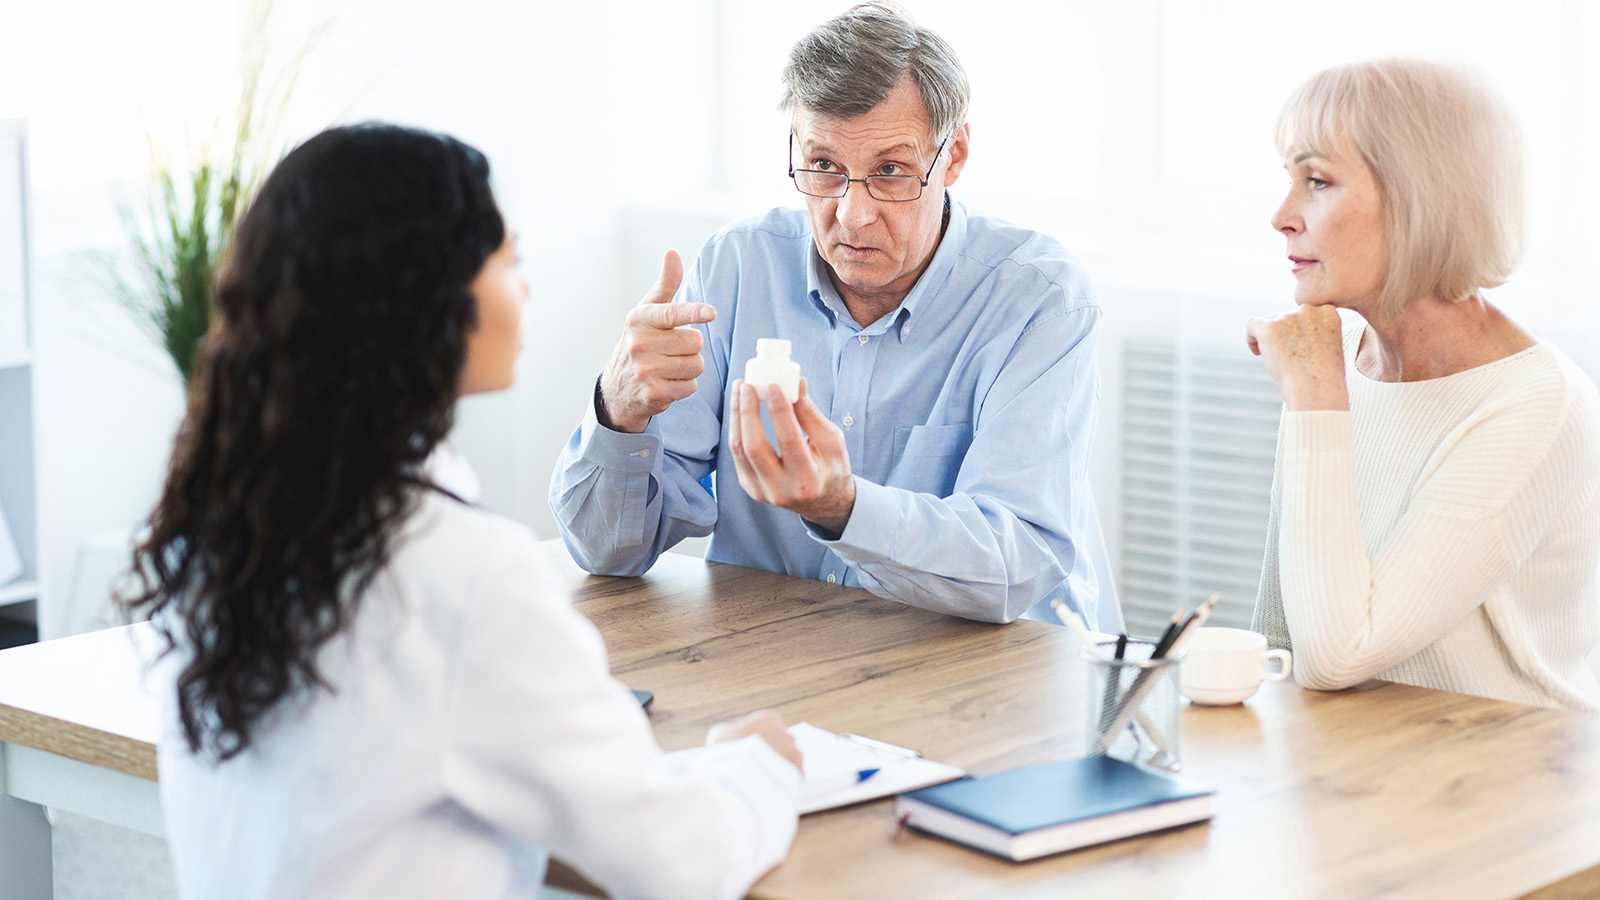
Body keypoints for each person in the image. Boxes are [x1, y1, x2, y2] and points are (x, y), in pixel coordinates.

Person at [123, 124, 803, 900]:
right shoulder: (462, 573)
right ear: (428, 298)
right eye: (509, 261)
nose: (527, 287)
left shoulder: (222, 530)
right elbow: (683, 862)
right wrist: (754, 765)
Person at [550, 3, 1122, 632]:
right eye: (823, 166)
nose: (852, 216)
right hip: (787, 666)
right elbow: (607, 553)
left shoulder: (1040, 299)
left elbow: (1016, 561)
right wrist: (618, 414)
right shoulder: (737, 269)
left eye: (891, 171)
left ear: (953, 154)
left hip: (993, 679)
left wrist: (843, 508)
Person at [1246, 59, 1600, 712]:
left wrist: (1314, 400)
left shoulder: (1537, 405)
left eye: (1317, 180)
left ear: (1418, 203)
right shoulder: (1335, 358)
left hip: (1504, 779)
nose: (1281, 215)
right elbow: (1282, 636)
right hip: (1365, 757)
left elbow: (1336, 656)